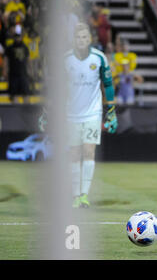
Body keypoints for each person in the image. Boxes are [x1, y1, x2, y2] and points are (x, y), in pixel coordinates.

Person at [65, 23, 118, 208]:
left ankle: (84, 196)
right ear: (74, 39)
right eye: (78, 37)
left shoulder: (99, 58)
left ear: (90, 39)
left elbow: (108, 85)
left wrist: (111, 111)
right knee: (73, 154)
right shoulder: (65, 60)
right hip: (70, 114)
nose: (81, 40)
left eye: (84, 37)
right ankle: (74, 196)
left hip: (92, 113)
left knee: (88, 151)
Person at [3, 24, 30, 103]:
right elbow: (6, 60)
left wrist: (30, 71)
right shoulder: (10, 48)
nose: (17, 38)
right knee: (13, 95)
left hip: (23, 74)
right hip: (13, 74)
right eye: (16, 36)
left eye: (18, 36)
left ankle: (26, 114)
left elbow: (28, 60)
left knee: (26, 95)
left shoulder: (25, 47)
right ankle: (15, 114)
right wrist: (5, 71)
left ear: (21, 36)